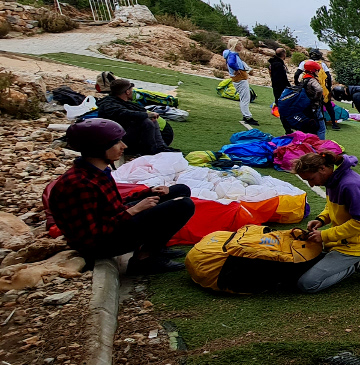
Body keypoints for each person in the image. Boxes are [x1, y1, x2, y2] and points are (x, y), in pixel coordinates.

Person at [48, 119, 195, 274]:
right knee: (183, 205)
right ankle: (144, 259)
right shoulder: (80, 184)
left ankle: (156, 246)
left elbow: (113, 205)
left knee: (180, 190)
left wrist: (149, 192)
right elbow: (91, 236)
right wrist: (133, 211)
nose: (123, 146)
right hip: (103, 244)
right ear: (98, 148)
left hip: (115, 223)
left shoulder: (96, 171)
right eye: (116, 142)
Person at [293, 151, 360, 293]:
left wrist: (324, 235)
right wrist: (320, 219)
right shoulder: (332, 179)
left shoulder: (351, 184)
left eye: (311, 179)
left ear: (322, 169)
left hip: (356, 246)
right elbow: (332, 206)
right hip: (340, 241)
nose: (312, 185)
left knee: (307, 284)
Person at [95, 78, 175, 156]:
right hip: (114, 140)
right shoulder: (109, 105)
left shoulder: (118, 102)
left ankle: (160, 148)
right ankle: (151, 152)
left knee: (149, 120)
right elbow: (123, 113)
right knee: (145, 122)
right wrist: (146, 115)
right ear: (127, 92)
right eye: (132, 90)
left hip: (121, 136)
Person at [222, 43, 257, 125]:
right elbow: (231, 63)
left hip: (237, 78)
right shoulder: (233, 55)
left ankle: (246, 115)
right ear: (235, 46)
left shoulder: (230, 54)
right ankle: (247, 116)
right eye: (239, 45)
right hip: (240, 78)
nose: (241, 47)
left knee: (243, 97)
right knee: (245, 98)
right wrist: (237, 69)